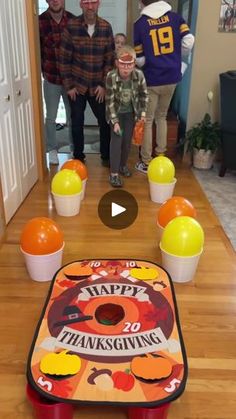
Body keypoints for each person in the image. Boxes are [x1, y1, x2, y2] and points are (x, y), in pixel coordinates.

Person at [134, 0, 195, 173]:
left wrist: (152, 60)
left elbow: (139, 59)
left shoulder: (140, 24)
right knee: (162, 117)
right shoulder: (176, 18)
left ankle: (146, 161)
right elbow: (189, 40)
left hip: (153, 78)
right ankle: (160, 156)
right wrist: (176, 56)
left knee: (148, 120)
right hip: (172, 77)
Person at [59, 0, 115, 165]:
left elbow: (110, 60)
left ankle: (106, 156)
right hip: (77, 86)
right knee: (76, 123)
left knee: (105, 122)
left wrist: (104, 85)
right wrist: (69, 86)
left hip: (98, 86)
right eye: (86, 3)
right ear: (80, 5)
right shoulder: (71, 27)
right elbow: (64, 59)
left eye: (93, 2)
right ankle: (78, 157)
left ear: (99, 4)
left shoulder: (106, 27)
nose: (90, 7)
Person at [106, 46, 148, 187]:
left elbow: (144, 95)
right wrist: (115, 122)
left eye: (129, 65)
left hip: (131, 114)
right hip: (116, 114)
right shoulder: (111, 77)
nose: (126, 69)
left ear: (134, 64)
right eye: (122, 65)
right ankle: (114, 174)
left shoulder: (139, 76)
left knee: (127, 142)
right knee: (116, 142)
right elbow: (110, 101)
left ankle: (123, 166)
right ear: (117, 63)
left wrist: (142, 114)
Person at [39, 0, 74, 165]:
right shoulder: (39, 22)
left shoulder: (74, 21)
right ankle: (52, 149)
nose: (55, 1)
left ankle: (74, 148)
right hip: (51, 78)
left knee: (72, 115)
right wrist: (43, 71)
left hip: (70, 80)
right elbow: (36, 50)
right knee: (51, 117)